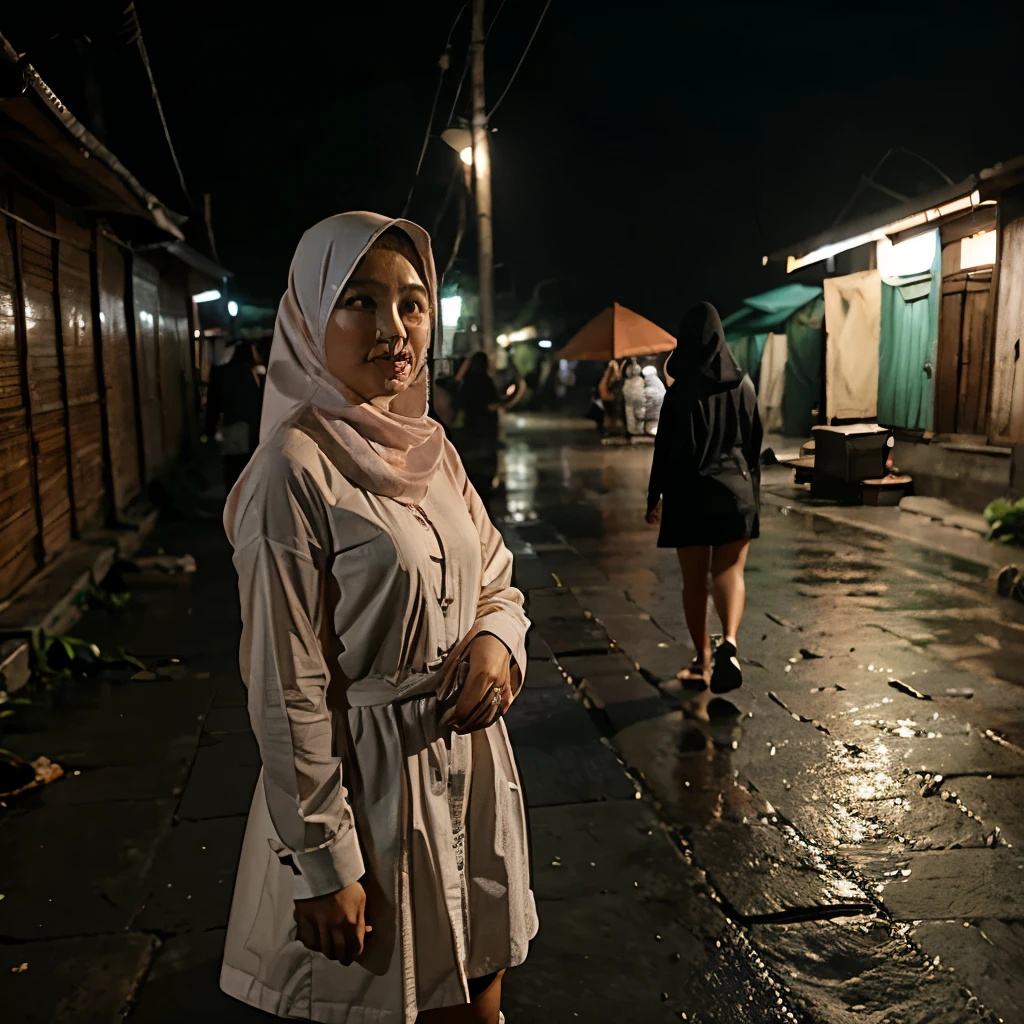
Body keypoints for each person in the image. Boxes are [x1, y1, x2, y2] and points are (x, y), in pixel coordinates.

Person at [220, 212, 535, 1024]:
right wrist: (325, 864)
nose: (395, 329)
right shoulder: (290, 472)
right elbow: (285, 688)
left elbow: (494, 573)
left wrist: (499, 641)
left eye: (414, 304)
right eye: (360, 301)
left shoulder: (429, 450)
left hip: (467, 774)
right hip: (371, 792)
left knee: (478, 989)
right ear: (308, 315)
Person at [645, 302, 762, 692]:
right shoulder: (743, 384)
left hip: (691, 495)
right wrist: (753, 496)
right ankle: (729, 642)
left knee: (695, 583)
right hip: (736, 492)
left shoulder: (680, 395)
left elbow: (665, 451)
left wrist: (654, 499)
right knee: (729, 572)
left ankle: (702, 661)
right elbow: (754, 443)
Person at [205, 340, 265, 493]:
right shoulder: (253, 374)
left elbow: (214, 404)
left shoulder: (222, 373)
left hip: (233, 429)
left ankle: (232, 505)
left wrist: (209, 430)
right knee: (250, 471)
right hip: (253, 431)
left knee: (234, 471)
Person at [456, 351, 501, 512]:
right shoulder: (485, 380)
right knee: (485, 459)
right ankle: (485, 487)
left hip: (471, 425)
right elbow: (493, 402)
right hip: (485, 426)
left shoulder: (466, 381)